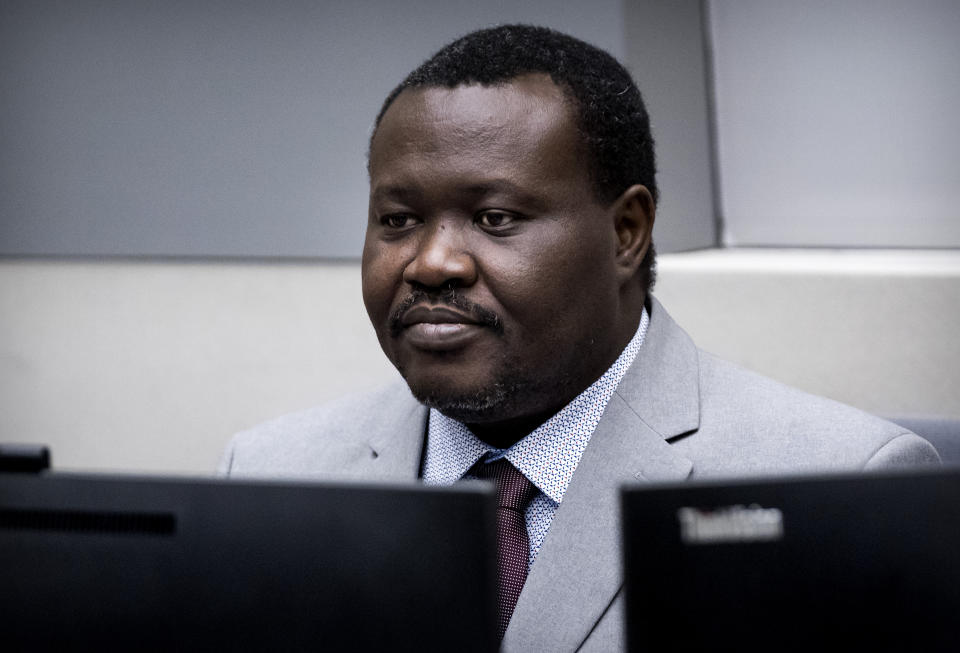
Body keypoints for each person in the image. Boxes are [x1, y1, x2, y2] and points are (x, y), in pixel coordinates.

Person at [219, 25, 940, 652]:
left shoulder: (841, 482)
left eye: (496, 218)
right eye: (399, 220)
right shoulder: (267, 477)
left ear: (626, 232)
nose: (432, 262)